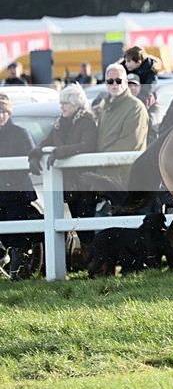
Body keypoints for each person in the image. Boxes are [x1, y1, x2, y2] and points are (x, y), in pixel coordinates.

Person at [28, 84, 99, 262]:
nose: (62, 106)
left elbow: (87, 145)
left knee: (85, 228)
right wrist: (35, 154)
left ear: (76, 104)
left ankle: (93, 266)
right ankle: (84, 264)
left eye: (65, 103)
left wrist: (60, 152)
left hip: (84, 185)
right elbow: (46, 141)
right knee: (73, 225)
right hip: (67, 185)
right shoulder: (60, 122)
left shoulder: (87, 121)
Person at [0, 93, 39, 278]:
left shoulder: (20, 133)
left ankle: (18, 274)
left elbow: (32, 157)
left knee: (18, 237)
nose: (0, 116)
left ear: (9, 113)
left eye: (3, 112)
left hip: (17, 193)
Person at [94, 64, 149, 185]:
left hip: (126, 178)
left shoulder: (136, 107)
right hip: (104, 174)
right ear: (106, 83)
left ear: (126, 82)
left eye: (118, 80)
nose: (115, 84)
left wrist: (99, 158)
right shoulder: (105, 107)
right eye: (110, 81)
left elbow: (131, 142)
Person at [128, 74, 164, 146]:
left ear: (140, 87)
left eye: (135, 85)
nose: (132, 88)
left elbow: (152, 125)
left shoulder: (153, 105)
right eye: (129, 85)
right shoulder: (121, 103)